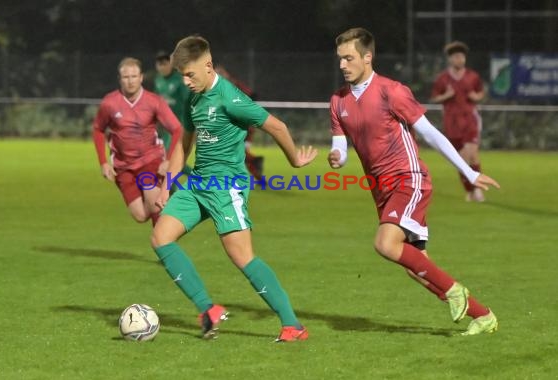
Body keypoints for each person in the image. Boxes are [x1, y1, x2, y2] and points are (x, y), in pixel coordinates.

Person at [328, 28, 499, 336]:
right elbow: (340, 145)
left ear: (368, 57)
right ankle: (482, 315)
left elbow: (431, 133)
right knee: (415, 265)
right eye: (340, 58)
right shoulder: (337, 101)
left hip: (409, 179)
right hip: (380, 189)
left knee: (385, 244)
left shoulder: (390, 91)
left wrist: (469, 172)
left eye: (349, 58)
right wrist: (336, 157)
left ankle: (453, 291)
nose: (342, 64)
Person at [151, 35, 317, 341]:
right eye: (182, 76)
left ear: (208, 66)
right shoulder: (193, 98)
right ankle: (208, 310)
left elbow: (276, 126)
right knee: (161, 238)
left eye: (190, 74)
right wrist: (166, 186)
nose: (186, 82)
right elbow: (184, 144)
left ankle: (293, 325)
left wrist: (295, 160)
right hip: (199, 183)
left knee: (242, 257)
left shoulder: (231, 98)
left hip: (227, 187)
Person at [92, 57, 182, 226]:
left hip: (150, 161)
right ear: (120, 79)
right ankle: (167, 204)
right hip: (123, 166)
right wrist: (103, 163)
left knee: (156, 206)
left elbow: (177, 130)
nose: (130, 81)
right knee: (140, 216)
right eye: (126, 77)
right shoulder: (109, 103)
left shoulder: (154, 101)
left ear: (141, 77)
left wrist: (168, 160)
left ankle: (163, 244)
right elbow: (98, 129)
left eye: (134, 76)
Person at [431, 41, 486, 202]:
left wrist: (476, 97)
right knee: (462, 160)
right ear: (450, 59)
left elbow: (480, 93)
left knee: (473, 155)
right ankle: (469, 190)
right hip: (452, 122)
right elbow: (434, 98)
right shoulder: (442, 79)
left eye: (462, 56)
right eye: (456, 56)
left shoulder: (472, 76)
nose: (459, 59)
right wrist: (446, 96)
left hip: (470, 119)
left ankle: (477, 189)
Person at [214, 64, 265, 180]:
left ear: (226, 74)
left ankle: (253, 163)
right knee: (239, 153)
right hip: (235, 125)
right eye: (217, 74)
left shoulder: (233, 85)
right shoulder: (219, 88)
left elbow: (253, 95)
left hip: (243, 125)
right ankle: (259, 177)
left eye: (220, 73)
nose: (218, 76)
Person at [154, 51, 193, 178]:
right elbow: (156, 101)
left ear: (170, 64)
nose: (162, 67)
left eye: (164, 64)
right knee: (168, 158)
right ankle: (197, 179)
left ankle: (173, 188)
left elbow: (188, 100)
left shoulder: (179, 80)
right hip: (166, 126)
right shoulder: (158, 80)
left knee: (168, 157)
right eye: (159, 64)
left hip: (179, 124)